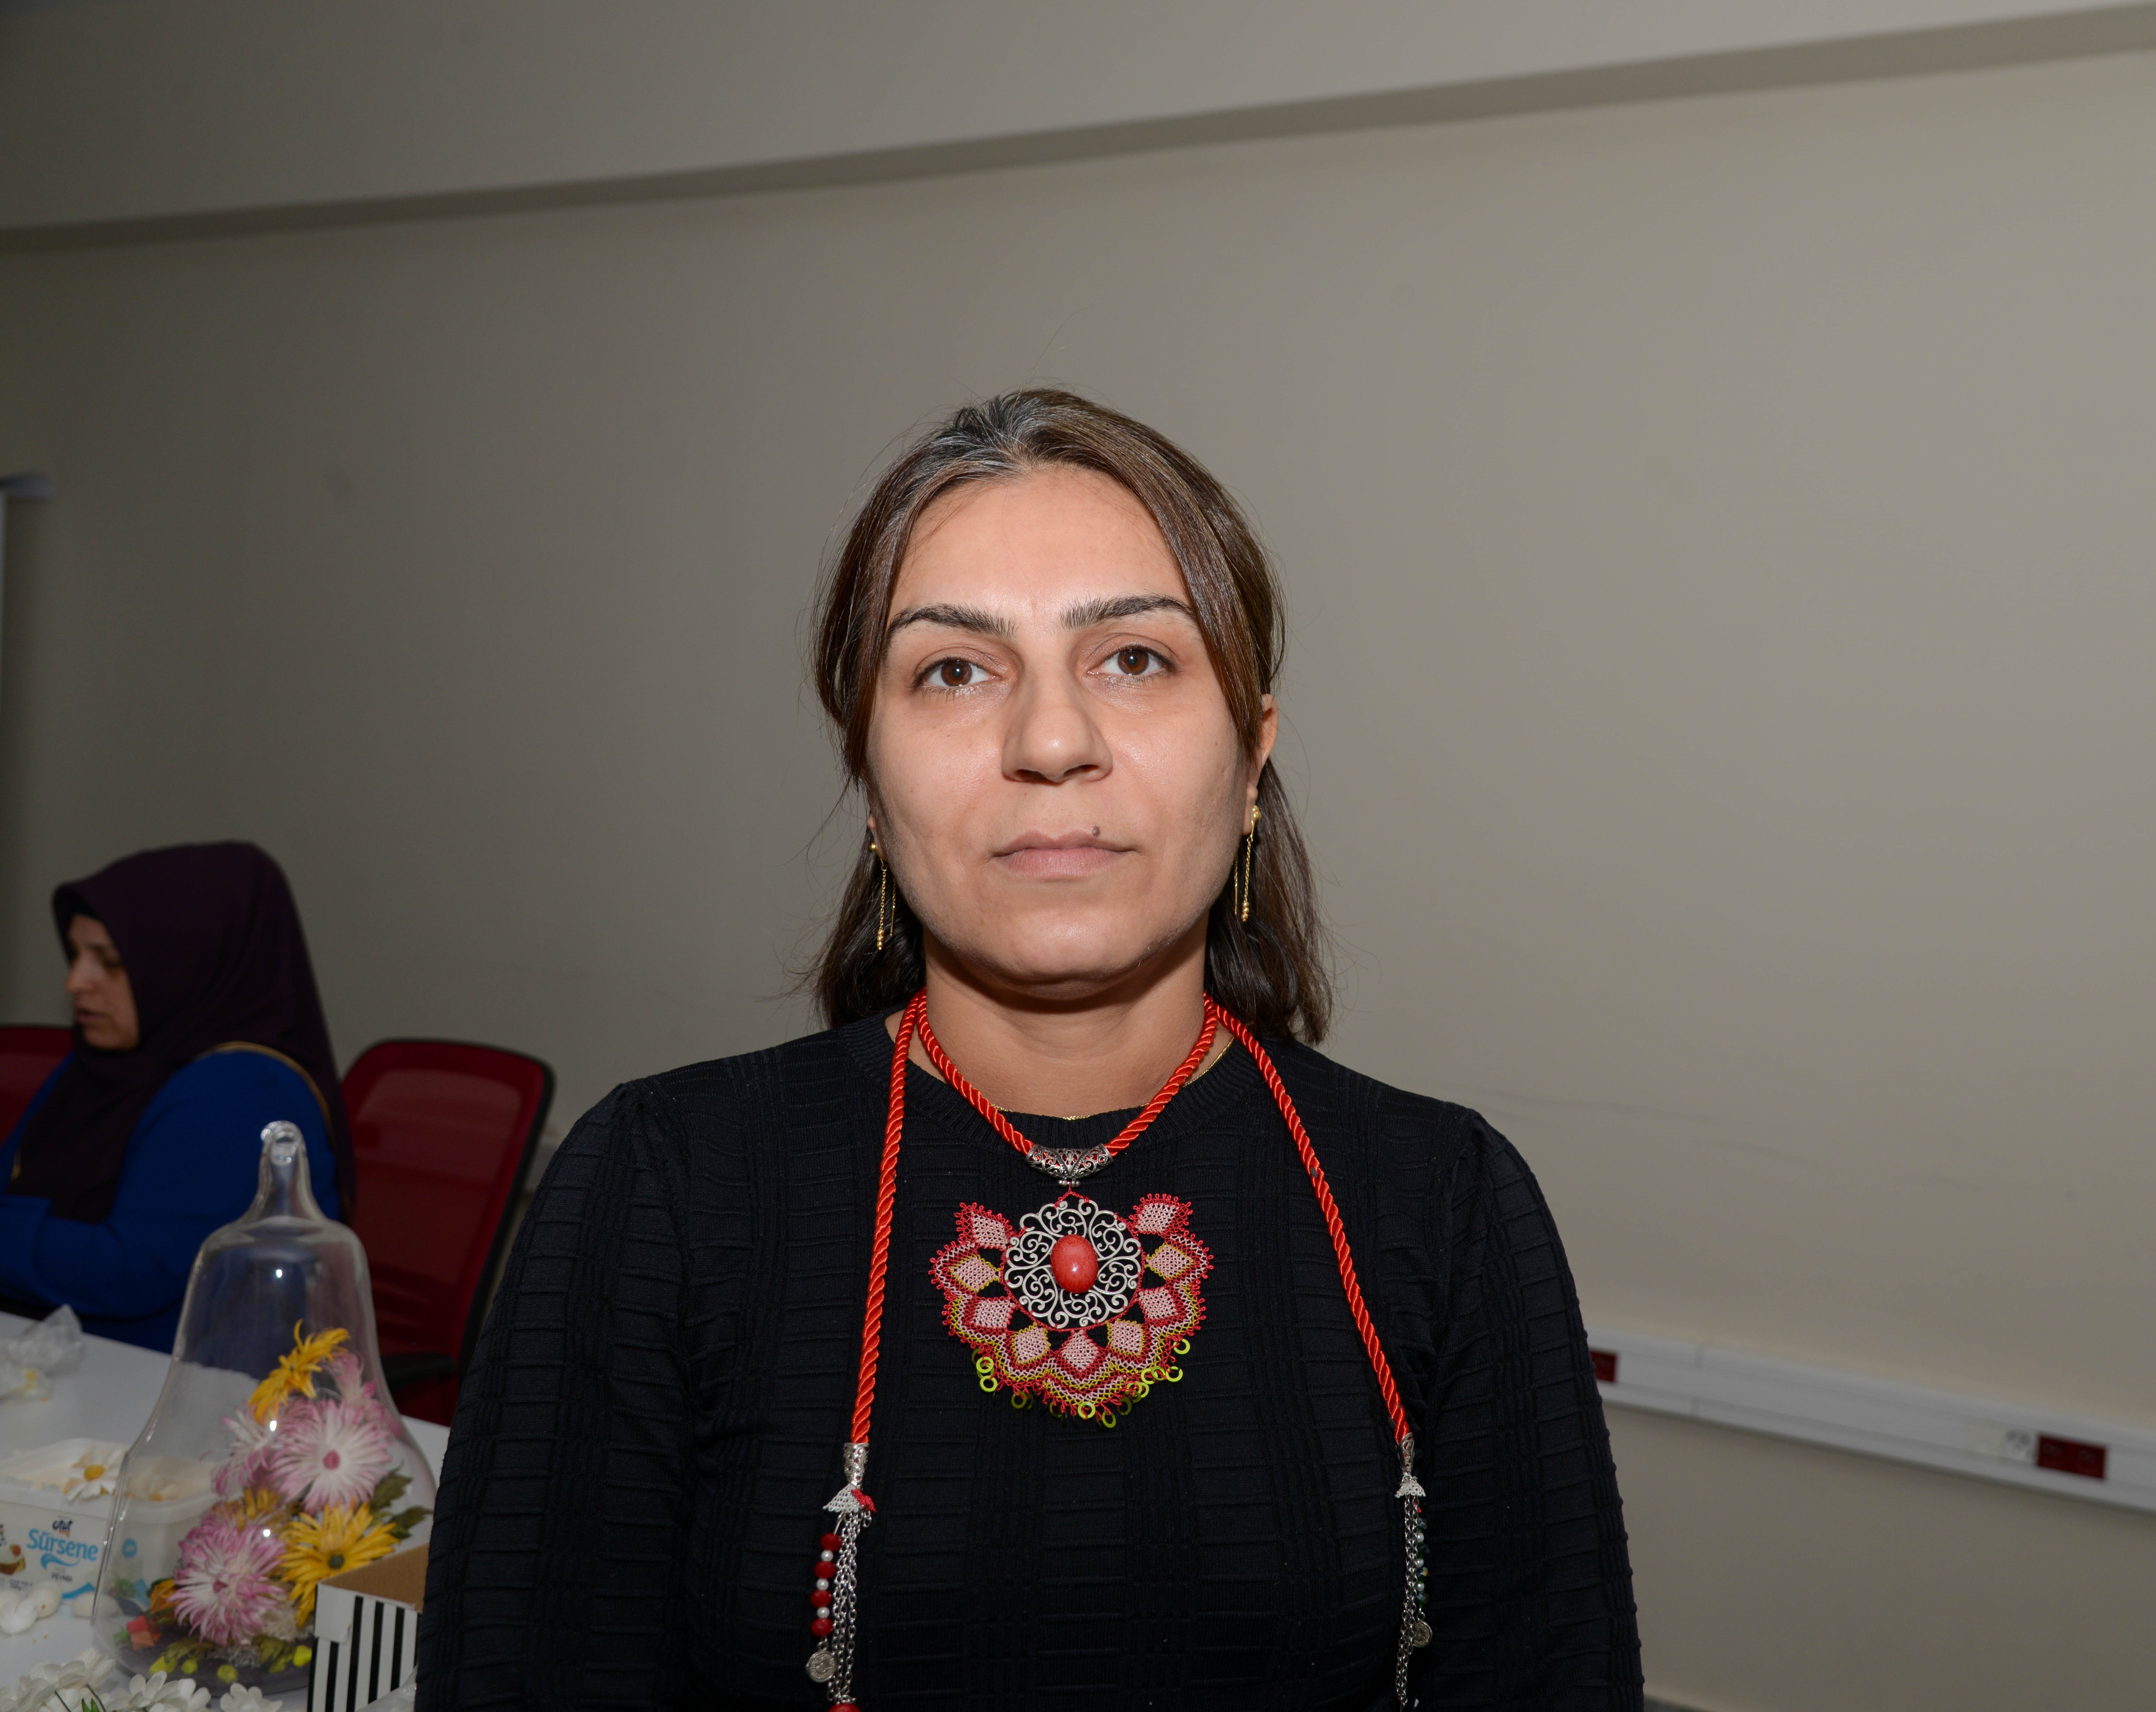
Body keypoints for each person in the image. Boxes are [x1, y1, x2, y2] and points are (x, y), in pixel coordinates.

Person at [420, 392, 1642, 1709]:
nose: (1051, 742)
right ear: (870, 775)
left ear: (1251, 757)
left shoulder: (1444, 1199)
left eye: (1136, 658)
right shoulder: (659, 1183)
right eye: (954, 670)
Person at [0, 841, 352, 1351]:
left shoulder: (243, 1088)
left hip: (187, 1382)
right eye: (76, 955)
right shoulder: (104, 1063)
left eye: (110, 962)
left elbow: (128, 1271)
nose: (75, 981)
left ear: (187, 962)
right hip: (72, 1357)